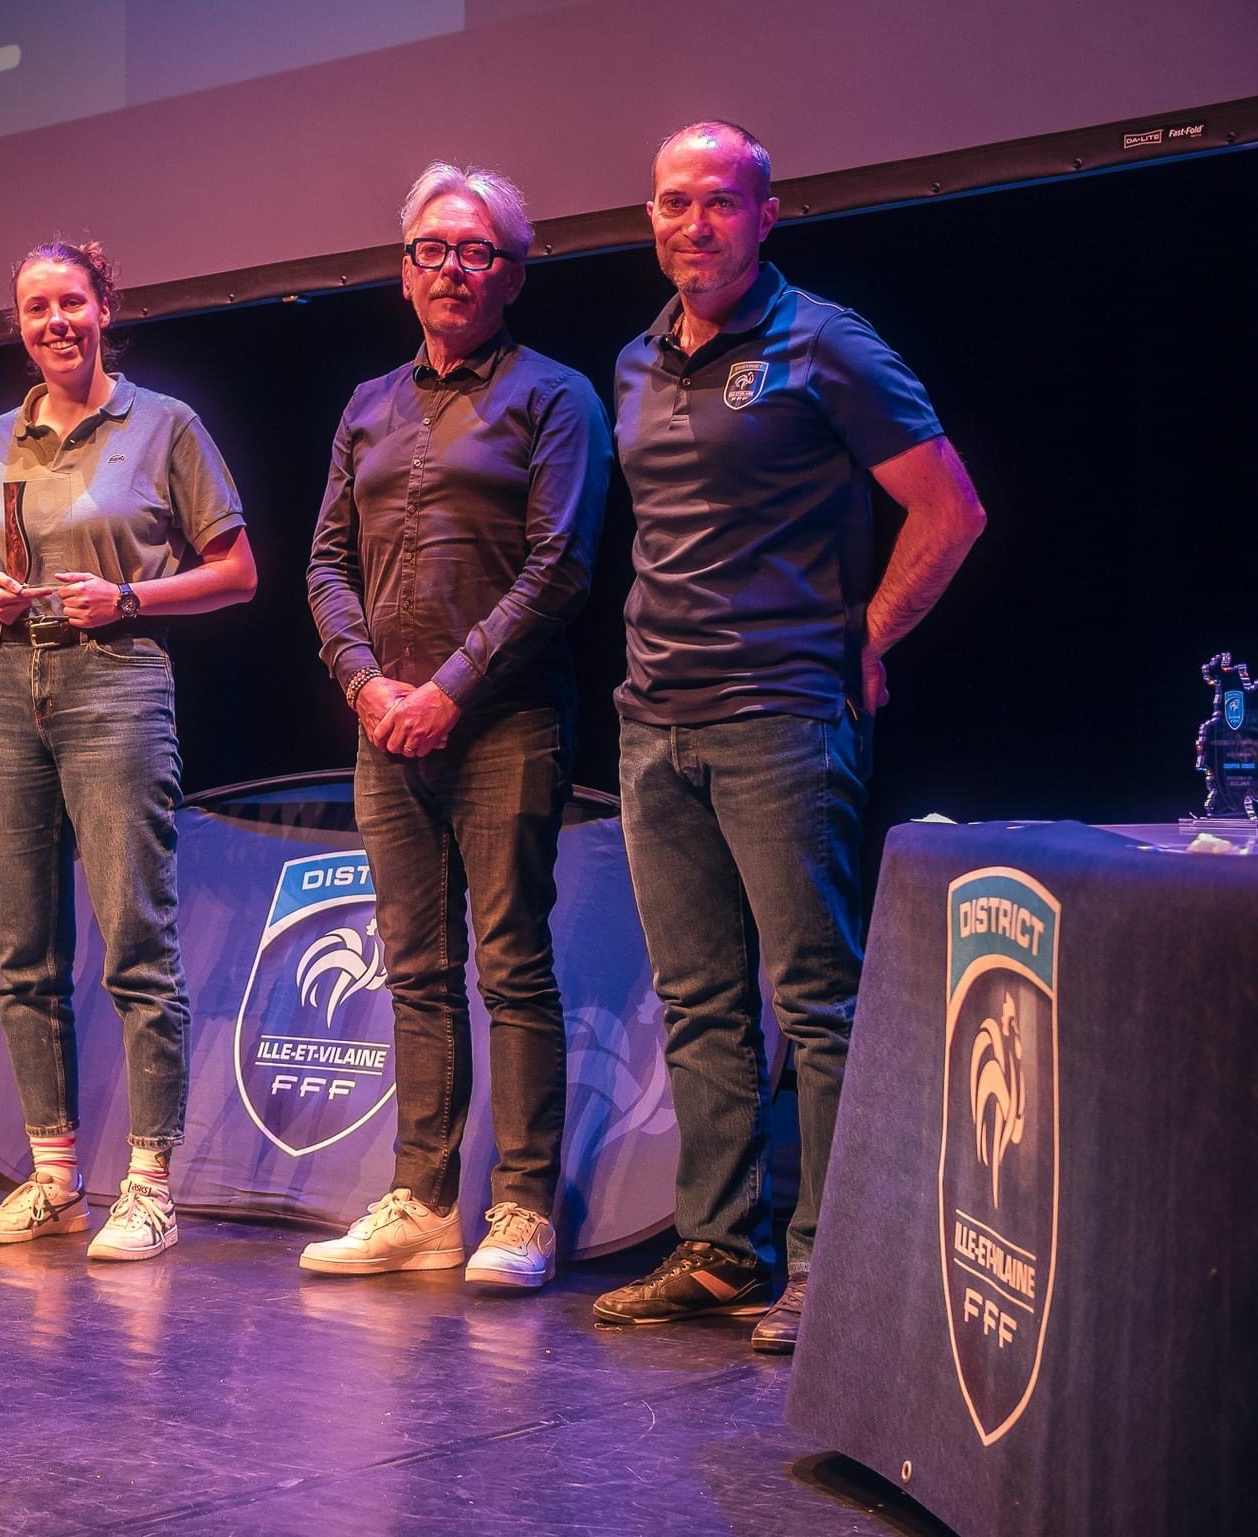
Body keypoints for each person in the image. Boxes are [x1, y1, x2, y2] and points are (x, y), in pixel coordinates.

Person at [592, 122, 986, 1349]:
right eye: (670, 202)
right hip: (652, 721)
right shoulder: (634, 358)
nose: (690, 225)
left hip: (779, 715)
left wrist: (859, 639)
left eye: (717, 202)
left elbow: (949, 508)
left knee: (812, 996)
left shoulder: (825, 340)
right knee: (698, 999)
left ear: (766, 215)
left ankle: (831, 1262)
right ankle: (720, 1250)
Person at [301, 163, 611, 1290]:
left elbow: (560, 566)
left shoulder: (555, 395)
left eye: (473, 250)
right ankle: (424, 1201)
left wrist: (448, 690)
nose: (450, 268)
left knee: (512, 966)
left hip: (505, 723)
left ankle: (521, 1207)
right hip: (382, 724)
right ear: (403, 271)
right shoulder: (367, 403)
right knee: (415, 970)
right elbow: (325, 564)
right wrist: (366, 686)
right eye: (430, 249)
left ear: (510, 273)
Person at [0, 239, 257, 1261]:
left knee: (136, 941)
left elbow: (238, 571)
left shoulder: (162, 423)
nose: (55, 323)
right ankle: (51, 1181)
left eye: (70, 303)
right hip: (1, 686)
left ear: (102, 309)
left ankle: (147, 1183)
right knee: (24, 947)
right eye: (36, 308)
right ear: (20, 324)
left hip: (116, 681)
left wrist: (126, 595)